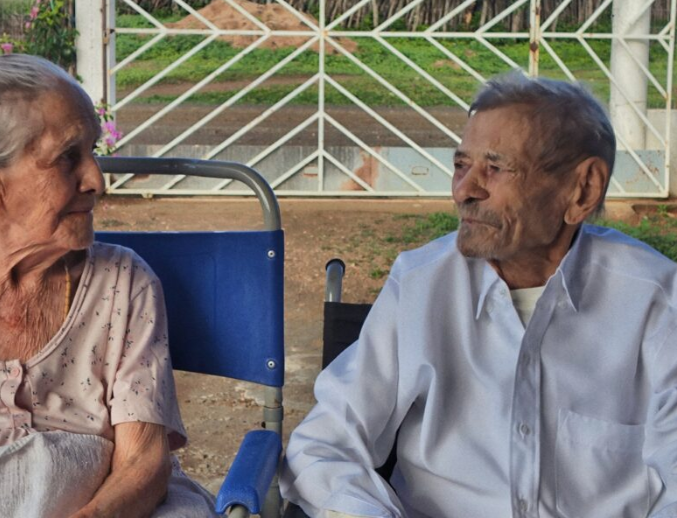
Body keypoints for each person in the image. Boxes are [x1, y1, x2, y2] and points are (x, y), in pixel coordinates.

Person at [280, 71, 677, 518]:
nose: (463, 191)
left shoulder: (657, 302)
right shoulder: (420, 286)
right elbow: (325, 444)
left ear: (582, 190)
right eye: (460, 165)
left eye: (495, 167)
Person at [0, 54, 217, 518]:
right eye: (67, 158)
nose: (97, 180)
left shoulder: (123, 283)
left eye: (93, 152)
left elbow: (143, 460)